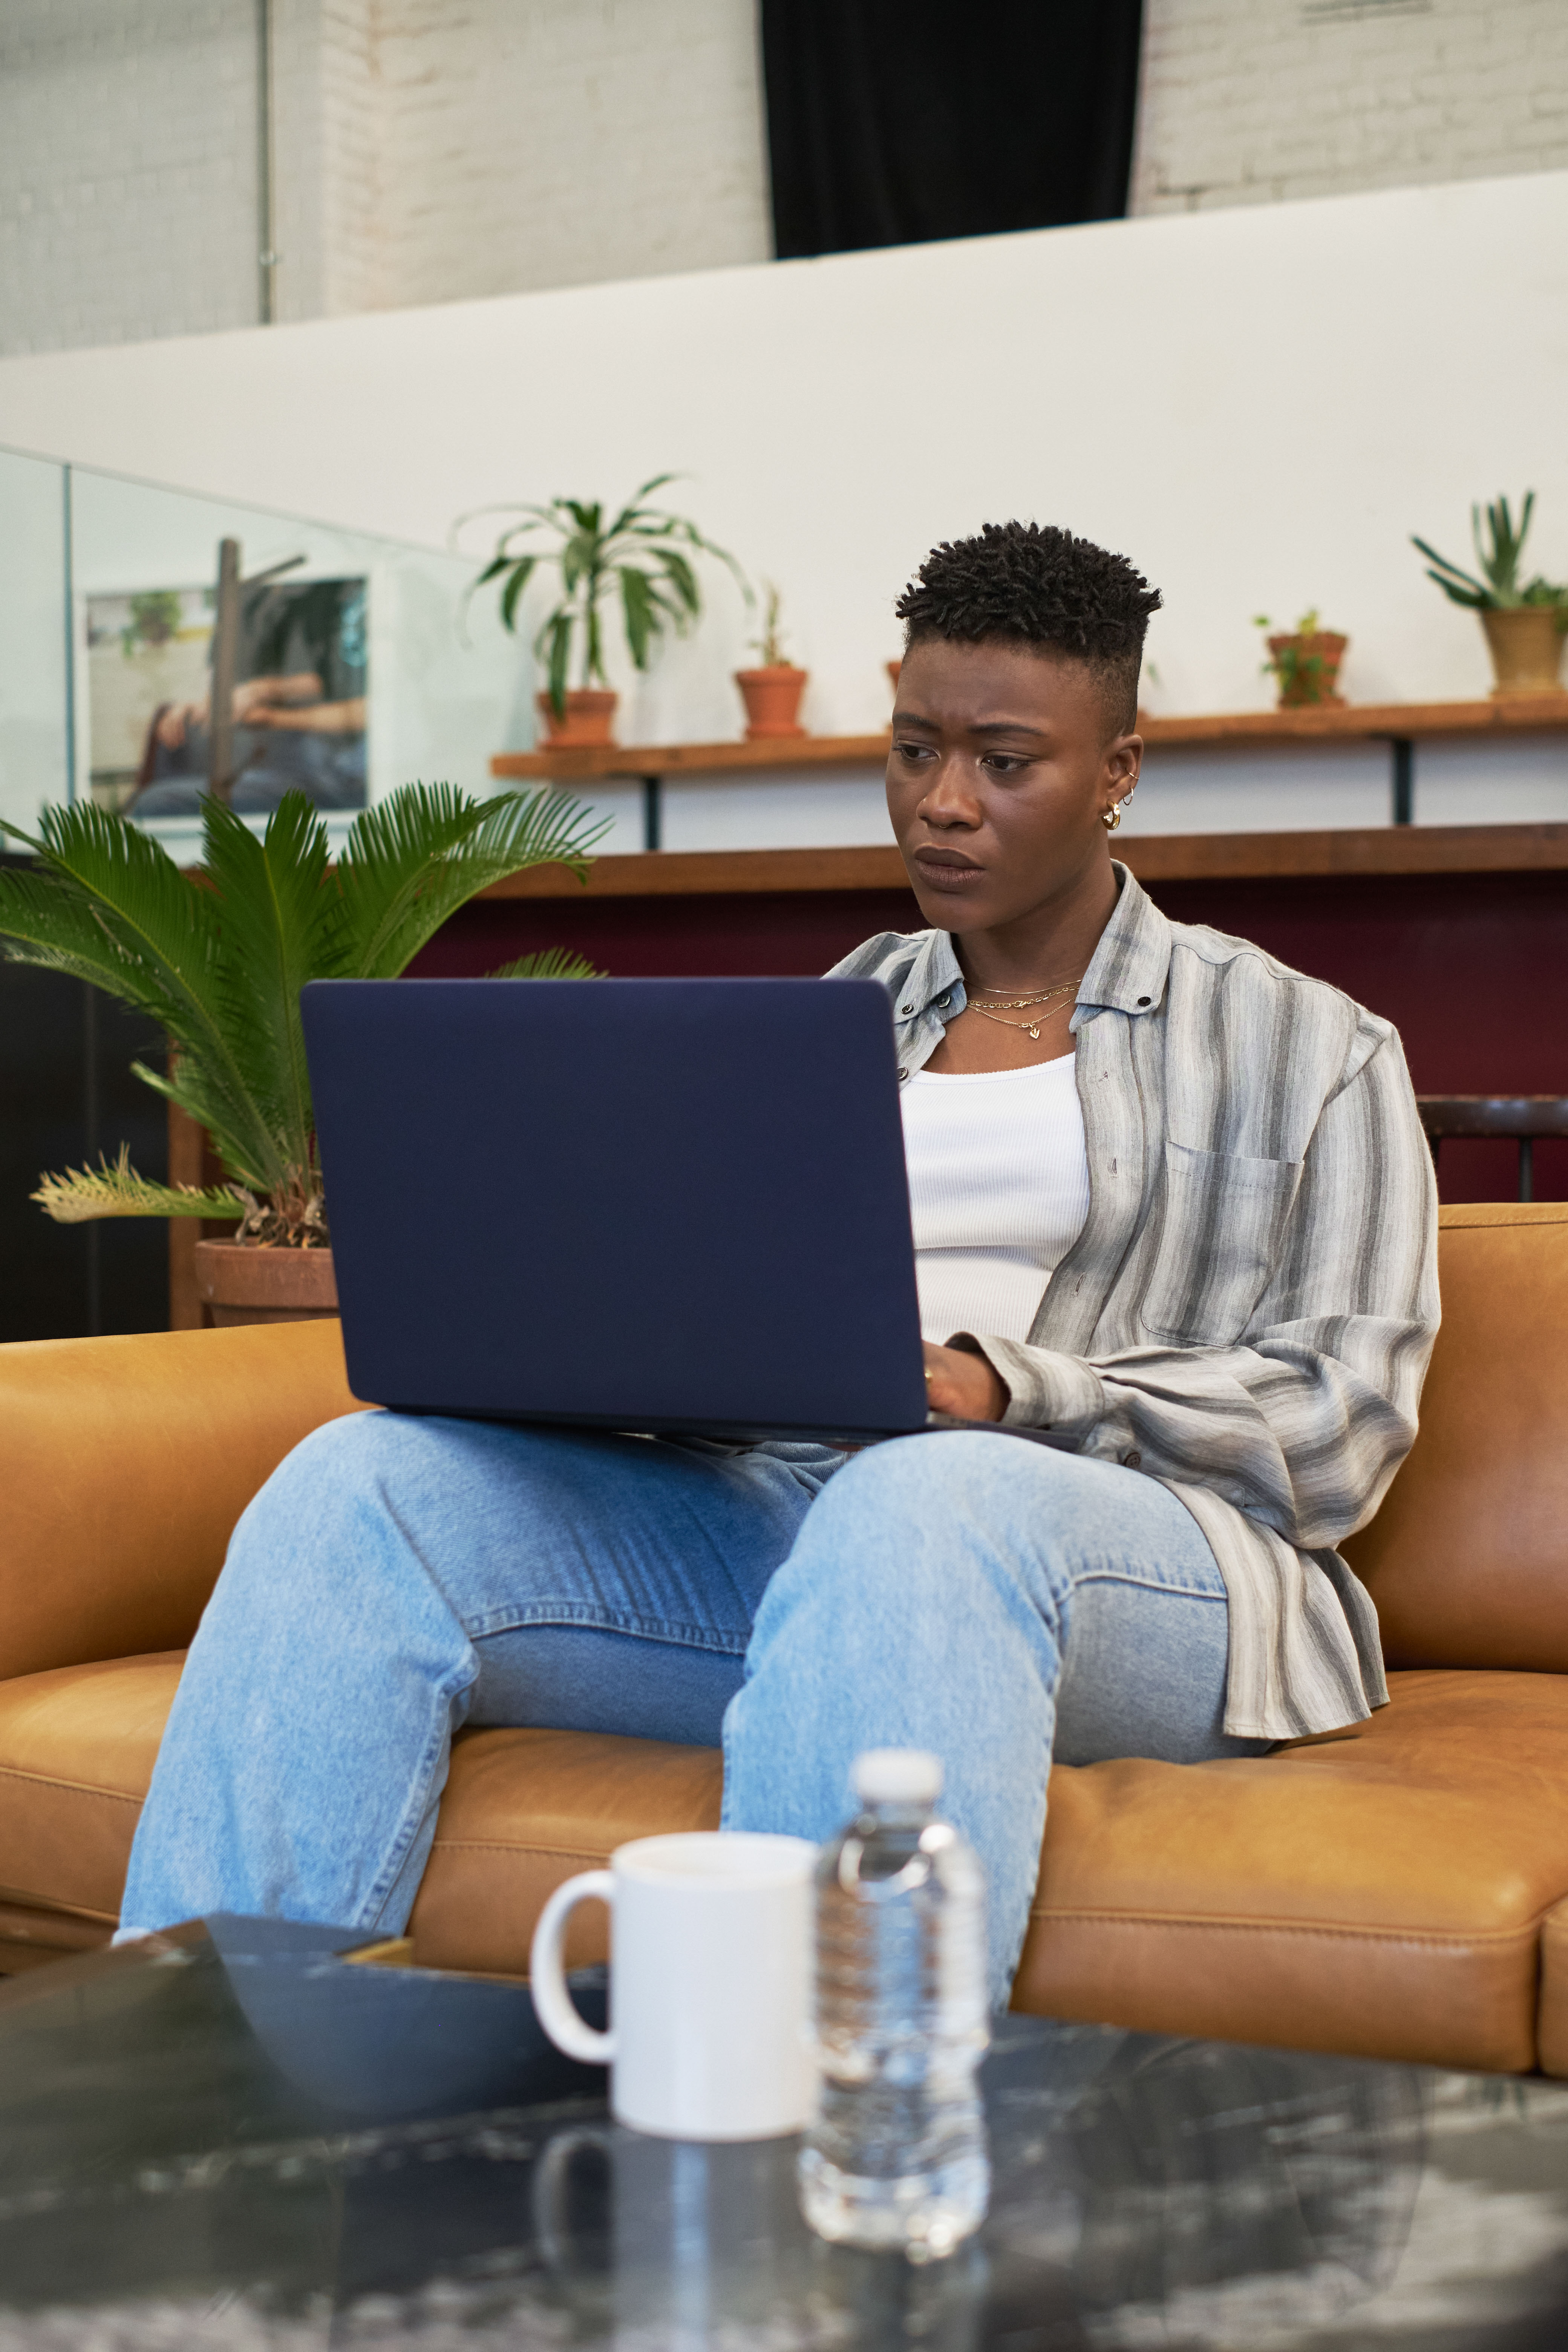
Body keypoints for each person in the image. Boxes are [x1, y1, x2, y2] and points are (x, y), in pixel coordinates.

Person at [118, 522, 1439, 2006]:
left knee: (922, 1493)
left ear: (1116, 769)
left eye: (1004, 764)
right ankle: (205, 2096)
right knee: (354, 1490)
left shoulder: (1306, 1045)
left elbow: (1344, 1426)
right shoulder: (840, 1012)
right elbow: (728, 1314)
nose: (943, 805)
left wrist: (1005, 1393)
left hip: (1151, 1576)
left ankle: (813, 2160)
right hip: (804, 1532)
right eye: (913, 749)